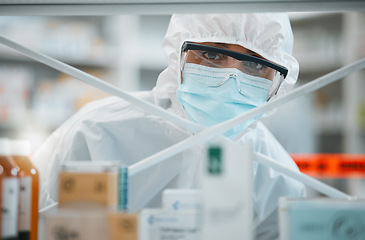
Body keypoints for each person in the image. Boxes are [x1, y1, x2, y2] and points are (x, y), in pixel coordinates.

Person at [32, 13, 306, 239]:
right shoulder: (96, 132)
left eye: (254, 64)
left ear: (279, 80)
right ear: (178, 54)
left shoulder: (277, 177)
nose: (230, 78)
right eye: (212, 56)